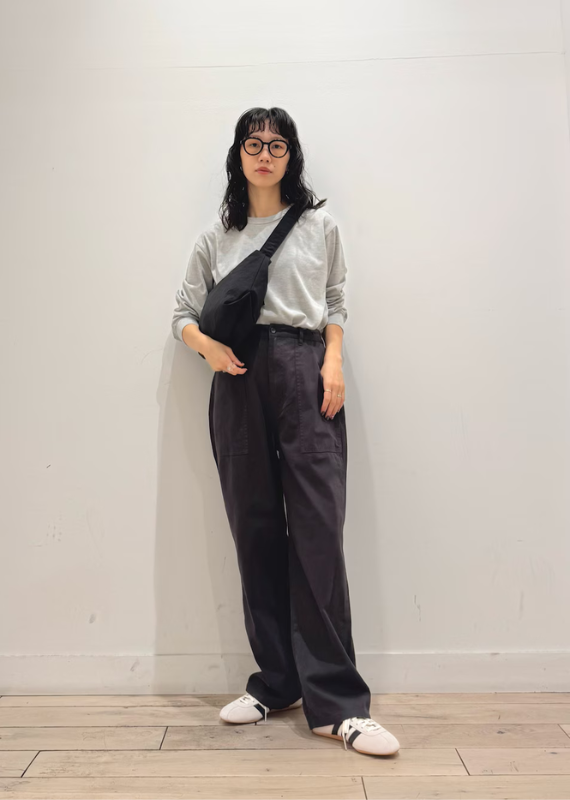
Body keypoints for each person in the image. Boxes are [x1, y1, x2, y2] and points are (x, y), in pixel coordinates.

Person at [171, 107, 400, 757]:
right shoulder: (218, 235)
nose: (265, 154)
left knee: (319, 532)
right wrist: (207, 349)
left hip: (307, 372)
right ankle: (277, 682)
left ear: (292, 155)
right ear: (238, 156)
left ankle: (339, 705)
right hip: (239, 377)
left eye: (277, 144)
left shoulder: (319, 225)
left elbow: (336, 300)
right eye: (254, 144)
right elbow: (182, 313)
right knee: (255, 530)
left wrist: (332, 360)